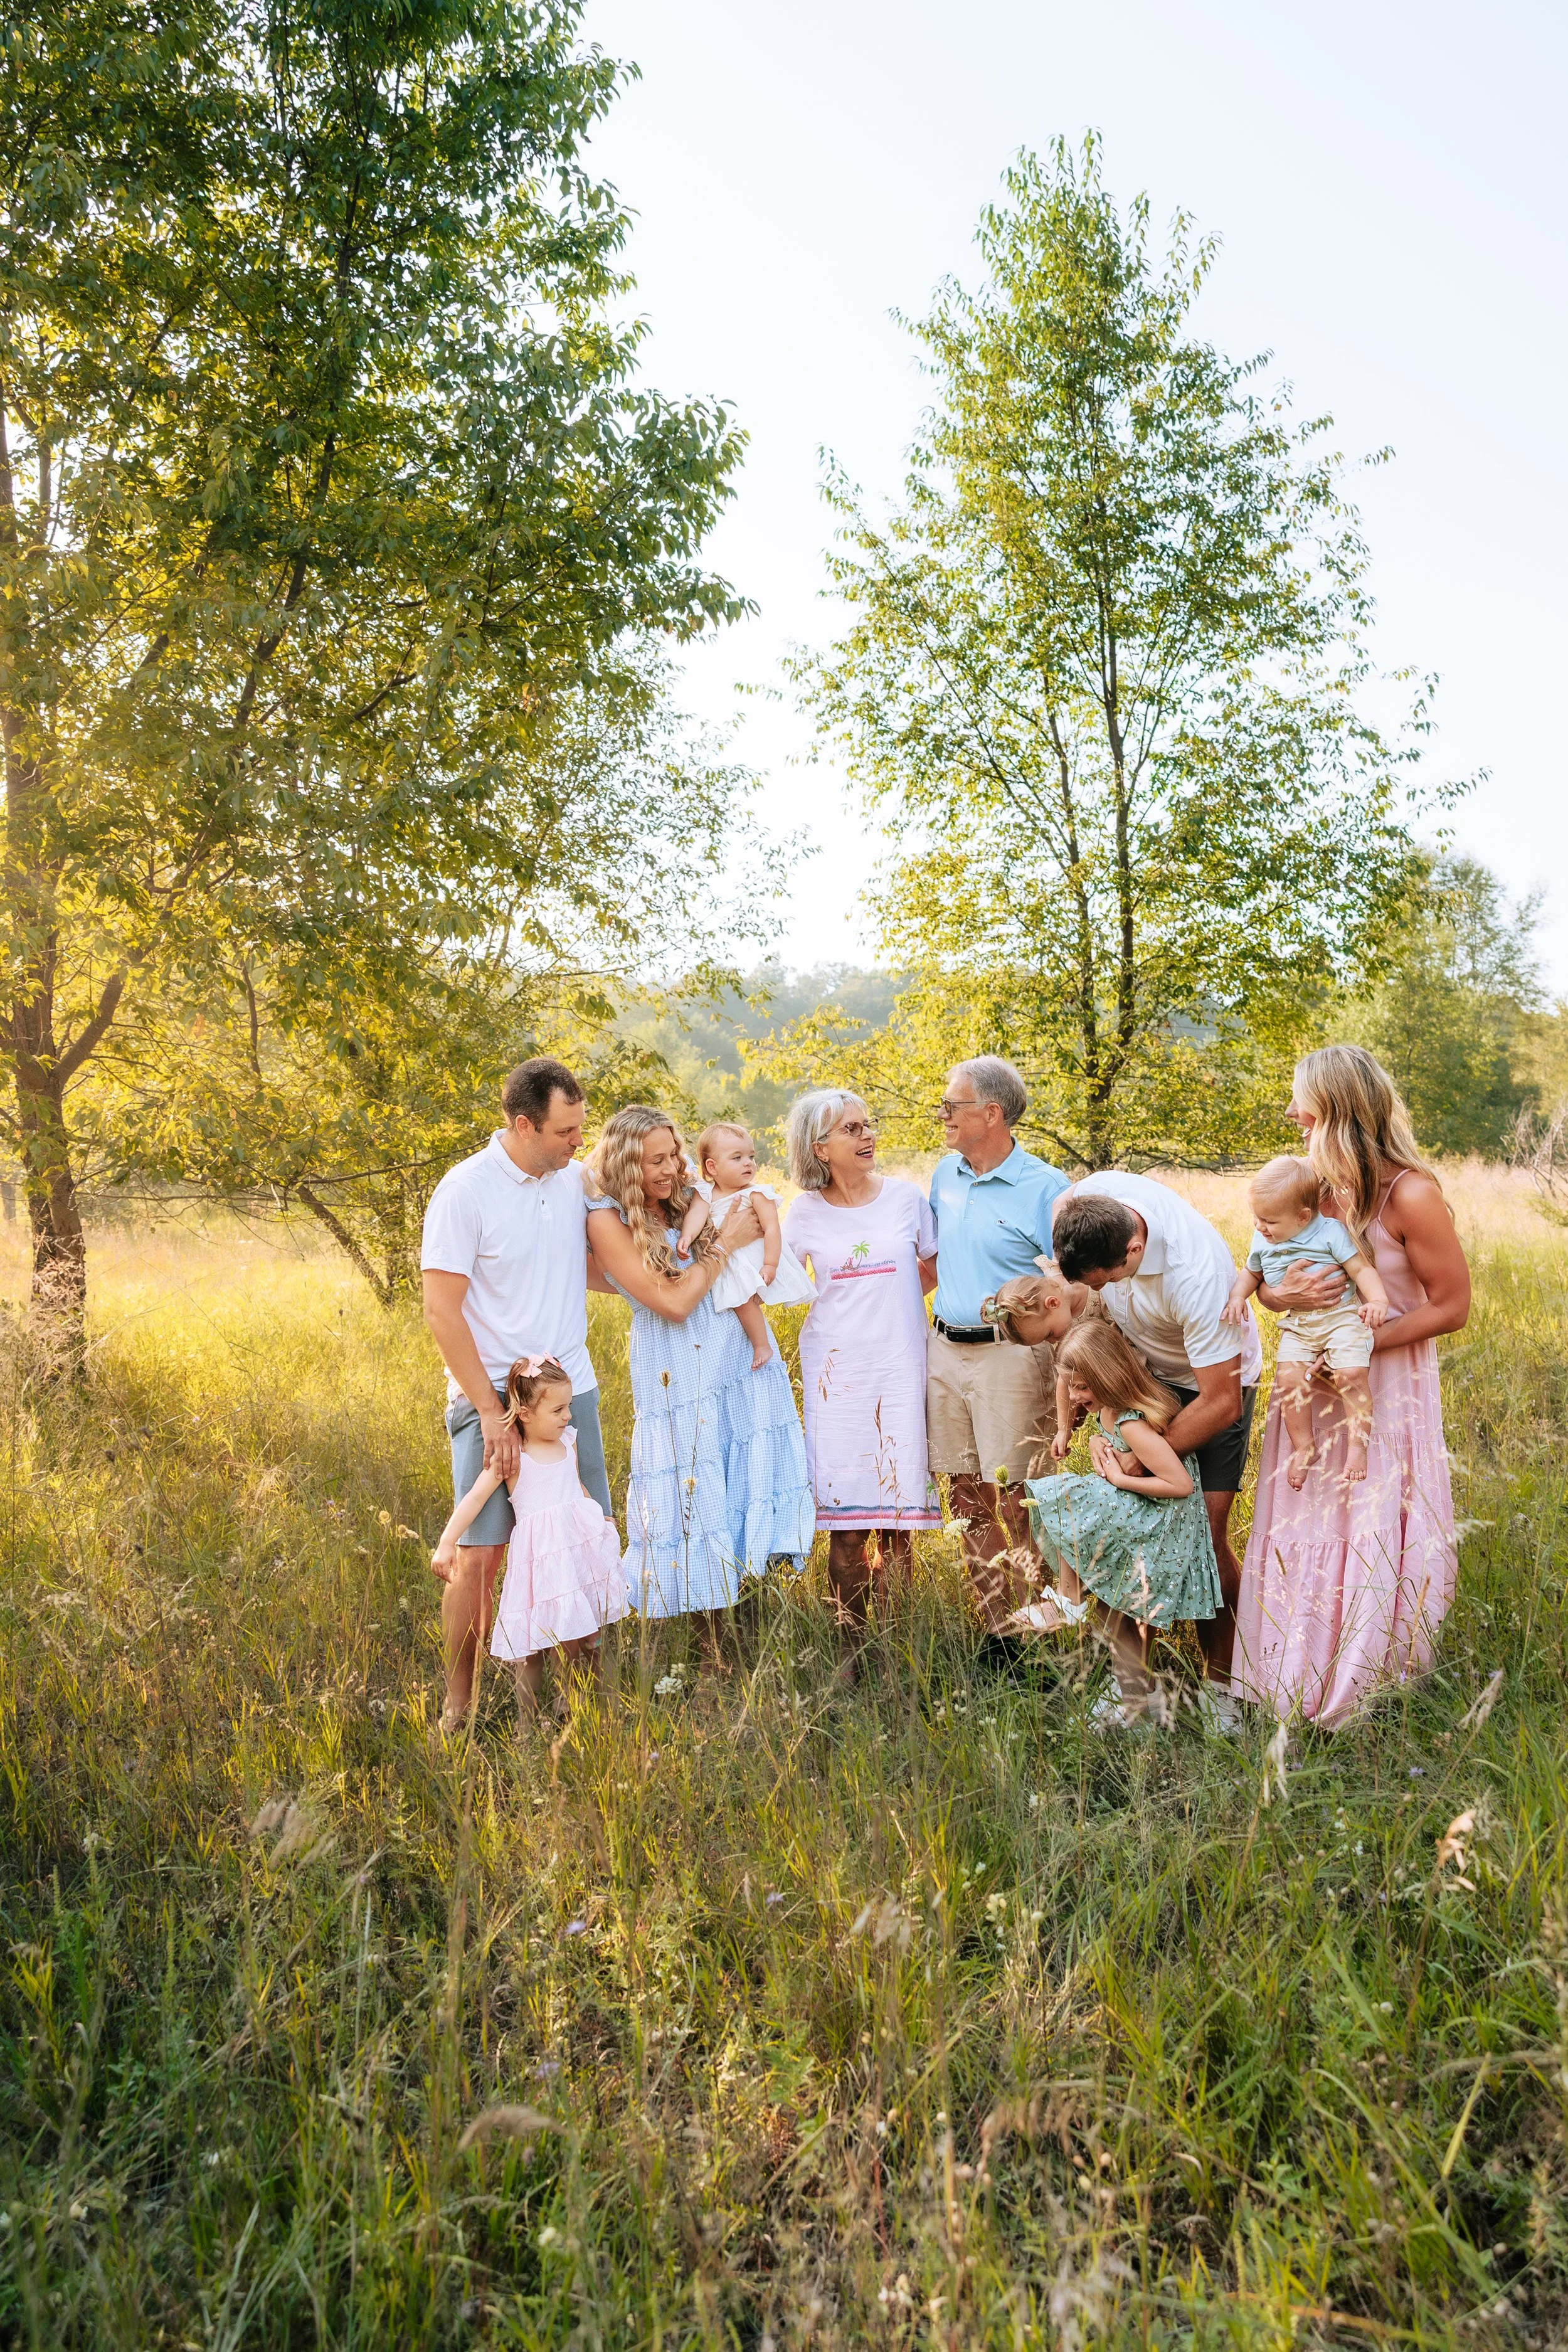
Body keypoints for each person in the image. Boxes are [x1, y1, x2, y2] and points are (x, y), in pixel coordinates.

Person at [1233, 1046, 1470, 1727]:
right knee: (1305, 1521)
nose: (1288, 1114)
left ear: (1335, 1107)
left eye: (1299, 1102)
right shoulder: (1303, 1190)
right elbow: (1274, 1286)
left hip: (1380, 1387)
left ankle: (1369, 1690)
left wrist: (1356, 1347)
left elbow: (1450, 1306)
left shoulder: (1412, 1194)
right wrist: (1282, 1299)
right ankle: (1287, 1683)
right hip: (1308, 1388)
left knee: (1365, 1522)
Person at [421, 1057, 610, 1730]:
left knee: (584, 1539)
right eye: (565, 1131)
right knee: (481, 1557)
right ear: (523, 1124)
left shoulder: (570, 1183)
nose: (576, 1143)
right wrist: (490, 1413)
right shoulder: (464, 1191)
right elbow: (442, 1311)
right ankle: (459, 1704)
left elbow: (601, 1268)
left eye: (580, 1128)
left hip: (569, 1394)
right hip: (490, 1397)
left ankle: (578, 1703)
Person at [586, 1105, 813, 1653]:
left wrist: (731, 1241)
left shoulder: (690, 1200)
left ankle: (754, 1629)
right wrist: (723, 1245)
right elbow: (676, 1304)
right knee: (695, 1494)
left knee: (745, 1481)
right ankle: (711, 1653)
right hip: (678, 1369)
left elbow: (753, 1235)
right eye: (654, 1161)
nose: (670, 1169)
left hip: (738, 1357)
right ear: (624, 1165)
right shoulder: (608, 1218)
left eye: (674, 1155)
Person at [1047, 1171, 1264, 1733]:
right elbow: (1062, 1207)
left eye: (1108, 1279)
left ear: (1135, 1248)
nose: (1100, 1292)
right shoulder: (1090, 1198)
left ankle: (1224, 1692)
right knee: (1121, 1532)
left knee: (1205, 1540)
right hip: (1143, 1381)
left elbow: (1221, 1402)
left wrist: (1141, 1459)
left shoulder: (1198, 1277)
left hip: (1211, 1385)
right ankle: (1133, 1696)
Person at [781, 1090, 940, 1672]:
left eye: (868, 1125)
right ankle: (850, 1650)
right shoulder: (802, 1213)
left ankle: (897, 1653)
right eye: (852, 1129)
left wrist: (889, 1302)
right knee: (847, 1530)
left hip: (900, 1368)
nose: (867, 1135)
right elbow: (774, 1280)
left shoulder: (905, 1198)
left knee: (899, 1527)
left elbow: (932, 1266)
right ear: (820, 1148)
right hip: (837, 1378)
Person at [1019, 1316, 1221, 1729]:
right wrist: (1070, 1431)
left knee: (1065, 1496)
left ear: (1108, 1377)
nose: (1074, 1397)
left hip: (1163, 1519)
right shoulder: (1107, 1408)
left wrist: (1118, 1478)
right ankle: (1136, 1704)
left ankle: (1069, 1600)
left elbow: (1180, 1486)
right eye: (1070, 1386)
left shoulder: (1130, 1421)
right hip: (1139, 1505)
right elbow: (1065, 1383)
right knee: (1116, 1613)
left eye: (1082, 1388)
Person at [925, 1058, 1068, 1629]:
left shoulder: (1047, 1187)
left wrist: (1068, 1376)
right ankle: (996, 1632)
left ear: (992, 1112)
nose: (942, 1114)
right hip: (945, 1351)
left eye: (952, 1105)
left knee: (1020, 1499)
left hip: (1012, 1358)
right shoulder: (944, 1175)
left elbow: (1068, 1286)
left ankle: (1038, 1631)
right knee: (964, 1498)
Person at [430, 1355, 625, 1718]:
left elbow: (579, 1487)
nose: (568, 1416)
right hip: (540, 1560)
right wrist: (446, 1542)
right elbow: (474, 1499)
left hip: (573, 1550)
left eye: (568, 1407)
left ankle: (577, 1704)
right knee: (534, 1647)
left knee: (579, 1628)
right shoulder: (513, 1457)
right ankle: (526, 1725)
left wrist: (603, 1523)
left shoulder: (569, 1440)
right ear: (525, 1413)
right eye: (558, 1410)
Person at [1222, 1155, 1390, 1490]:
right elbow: (1251, 1273)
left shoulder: (1330, 1233)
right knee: (1288, 1379)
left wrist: (1378, 1300)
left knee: (1352, 1375)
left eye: (1269, 1221)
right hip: (1299, 1323)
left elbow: (1361, 1269)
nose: (1259, 1227)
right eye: (1256, 1218)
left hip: (1341, 1317)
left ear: (1303, 1217)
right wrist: (1238, 1296)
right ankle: (1304, 1447)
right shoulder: (1263, 1240)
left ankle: (1358, 1447)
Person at [677, 1120, 813, 1369]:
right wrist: (686, 1237)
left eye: (751, 1156)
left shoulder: (757, 1193)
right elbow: (696, 1215)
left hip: (750, 1258)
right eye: (737, 1158)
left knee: (744, 1301)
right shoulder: (706, 1192)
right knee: (733, 1301)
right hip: (724, 1257)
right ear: (712, 1167)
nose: (748, 1163)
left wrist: (770, 1264)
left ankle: (761, 1344)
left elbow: (772, 1228)